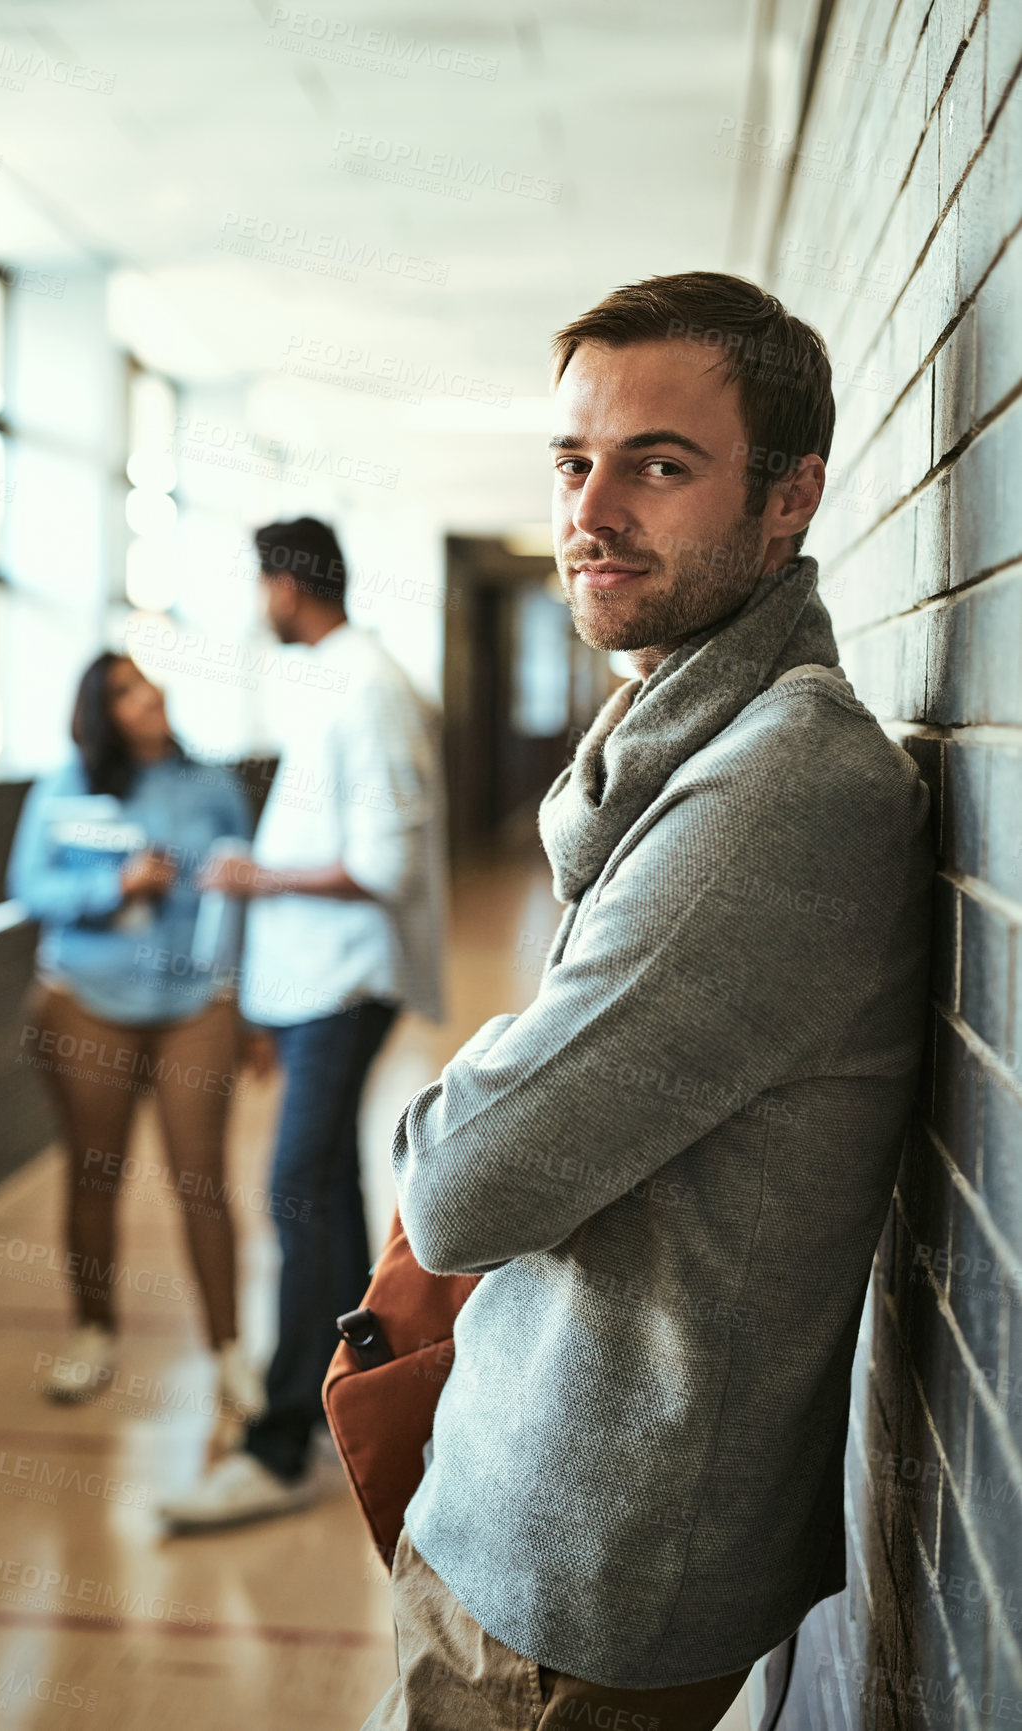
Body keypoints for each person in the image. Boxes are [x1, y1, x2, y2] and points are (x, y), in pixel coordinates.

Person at [359, 273, 934, 1729]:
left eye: (657, 464)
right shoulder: (683, 745)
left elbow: (466, 1182)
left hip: (574, 1579)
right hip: (528, 1500)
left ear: (788, 493)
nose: (592, 510)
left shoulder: (775, 791)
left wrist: (478, 1071)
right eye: (572, 461)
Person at [158, 516, 445, 1527]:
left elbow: (382, 867)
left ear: (286, 585)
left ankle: (278, 1445)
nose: (258, 605)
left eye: (261, 586)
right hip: (316, 987)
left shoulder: (364, 685)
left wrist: (251, 875)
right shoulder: (336, 678)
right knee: (320, 1187)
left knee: (294, 1186)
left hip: (345, 983)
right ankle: (353, 1391)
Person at [7, 653, 258, 1411]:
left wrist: (246, 1006)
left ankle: (228, 1351)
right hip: (87, 996)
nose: (148, 694)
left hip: (194, 1001)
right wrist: (111, 884)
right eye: (125, 690)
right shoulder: (66, 784)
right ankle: (93, 1333)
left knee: (201, 1179)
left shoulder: (210, 783)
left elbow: (247, 890)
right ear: (101, 712)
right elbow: (29, 887)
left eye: (147, 680)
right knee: (94, 1172)